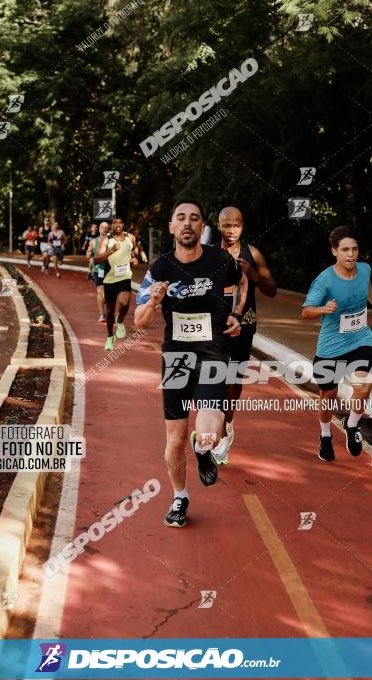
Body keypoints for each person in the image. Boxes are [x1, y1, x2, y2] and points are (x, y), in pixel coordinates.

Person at [134, 199, 247, 528]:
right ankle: (180, 495)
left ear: (202, 228)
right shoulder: (160, 268)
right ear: (172, 227)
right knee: (175, 440)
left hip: (213, 353)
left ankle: (204, 451)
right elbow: (140, 320)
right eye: (180, 218)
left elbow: (242, 282)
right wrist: (154, 300)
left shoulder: (220, 260)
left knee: (208, 430)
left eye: (194, 218)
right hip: (177, 358)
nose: (187, 223)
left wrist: (237, 314)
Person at [302, 225, 372, 462]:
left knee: (364, 387)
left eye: (354, 249)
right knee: (329, 394)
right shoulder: (325, 281)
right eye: (345, 249)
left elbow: (367, 286)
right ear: (334, 251)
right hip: (331, 347)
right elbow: (305, 311)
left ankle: (351, 425)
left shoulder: (365, 269)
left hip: (360, 339)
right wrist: (322, 309)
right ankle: (326, 435)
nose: (351, 254)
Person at [212, 206, 277, 465]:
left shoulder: (253, 253)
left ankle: (226, 426)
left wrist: (254, 275)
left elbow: (272, 291)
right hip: (215, 325)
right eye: (226, 225)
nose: (231, 230)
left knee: (231, 382)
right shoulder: (208, 253)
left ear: (243, 226)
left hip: (244, 324)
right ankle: (216, 425)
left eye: (236, 225)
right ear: (218, 226)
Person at [94, 217, 138, 351]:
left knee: (125, 304)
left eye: (120, 222)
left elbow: (134, 250)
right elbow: (96, 259)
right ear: (111, 226)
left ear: (123, 224)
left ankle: (120, 321)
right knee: (110, 310)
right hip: (109, 279)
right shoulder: (106, 240)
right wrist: (110, 251)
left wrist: (134, 258)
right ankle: (109, 337)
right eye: (114, 223)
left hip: (125, 276)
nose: (117, 225)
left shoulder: (131, 237)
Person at [87, 221, 110, 322]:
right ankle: (102, 314)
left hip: (111, 270)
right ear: (99, 229)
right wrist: (89, 256)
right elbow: (88, 252)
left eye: (106, 227)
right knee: (100, 291)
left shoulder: (112, 241)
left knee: (109, 294)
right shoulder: (93, 241)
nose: (104, 229)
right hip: (99, 269)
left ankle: (102, 301)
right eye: (102, 227)